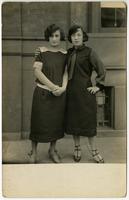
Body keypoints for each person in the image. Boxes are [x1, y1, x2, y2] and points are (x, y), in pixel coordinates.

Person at [65, 25, 106, 163]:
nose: (76, 38)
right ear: (70, 38)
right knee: (74, 122)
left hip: (85, 92)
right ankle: (77, 148)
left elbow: (101, 69)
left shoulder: (90, 52)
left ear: (83, 37)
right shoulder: (68, 53)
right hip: (71, 92)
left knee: (88, 122)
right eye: (73, 35)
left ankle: (94, 150)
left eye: (78, 35)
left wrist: (98, 86)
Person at [29, 24, 68, 163]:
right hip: (43, 93)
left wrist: (63, 88)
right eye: (51, 36)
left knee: (55, 124)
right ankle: (33, 152)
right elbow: (37, 72)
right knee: (38, 123)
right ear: (48, 37)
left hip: (58, 95)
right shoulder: (41, 51)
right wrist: (52, 87)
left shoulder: (65, 54)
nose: (54, 39)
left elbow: (65, 73)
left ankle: (52, 150)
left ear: (60, 37)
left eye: (57, 36)